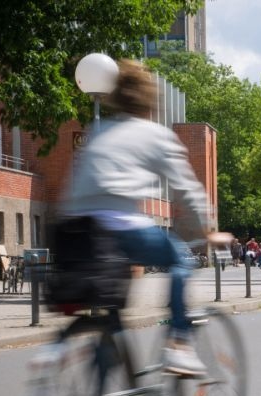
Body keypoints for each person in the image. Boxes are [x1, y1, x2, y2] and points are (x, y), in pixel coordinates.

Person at [58, 58, 229, 376]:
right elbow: (187, 190)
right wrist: (208, 230)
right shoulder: (154, 134)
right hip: (121, 226)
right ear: (150, 100)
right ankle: (179, 345)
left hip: (76, 231)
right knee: (180, 257)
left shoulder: (97, 131)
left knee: (111, 313)